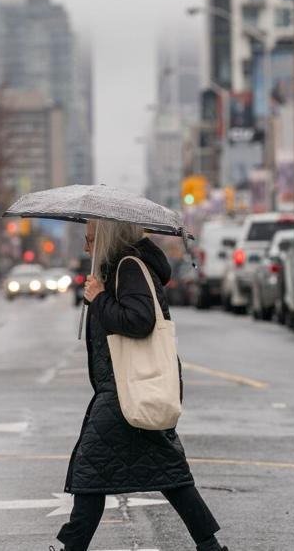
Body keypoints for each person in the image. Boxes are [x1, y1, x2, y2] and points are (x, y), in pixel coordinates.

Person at [53, 219, 227, 551]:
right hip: (125, 387)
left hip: (126, 389)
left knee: (90, 470)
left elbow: (139, 321)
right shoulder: (119, 266)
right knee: (167, 472)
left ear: (108, 238)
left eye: (92, 239)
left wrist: (100, 298)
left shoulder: (129, 267)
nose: (86, 247)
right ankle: (210, 545)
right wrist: (100, 296)